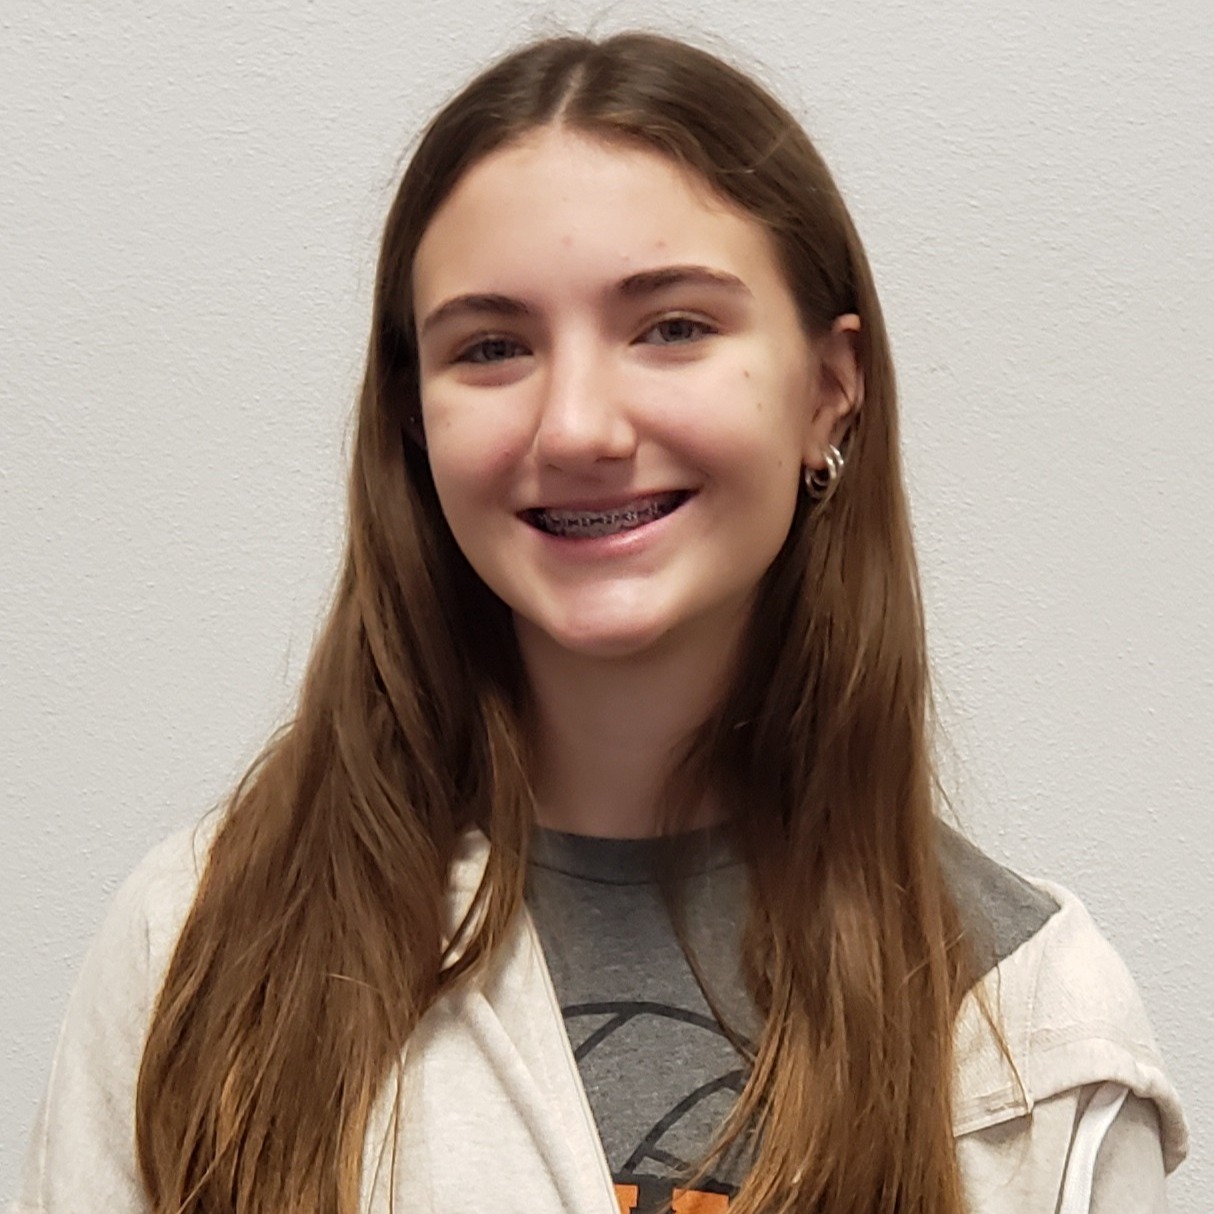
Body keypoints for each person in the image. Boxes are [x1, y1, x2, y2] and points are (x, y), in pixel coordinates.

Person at [13, 30, 1187, 1214]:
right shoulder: (203, 941)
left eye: (671, 326)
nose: (575, 426)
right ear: (415, 421)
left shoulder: (1033, 1026)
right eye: (491, 347)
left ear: (826, 389)